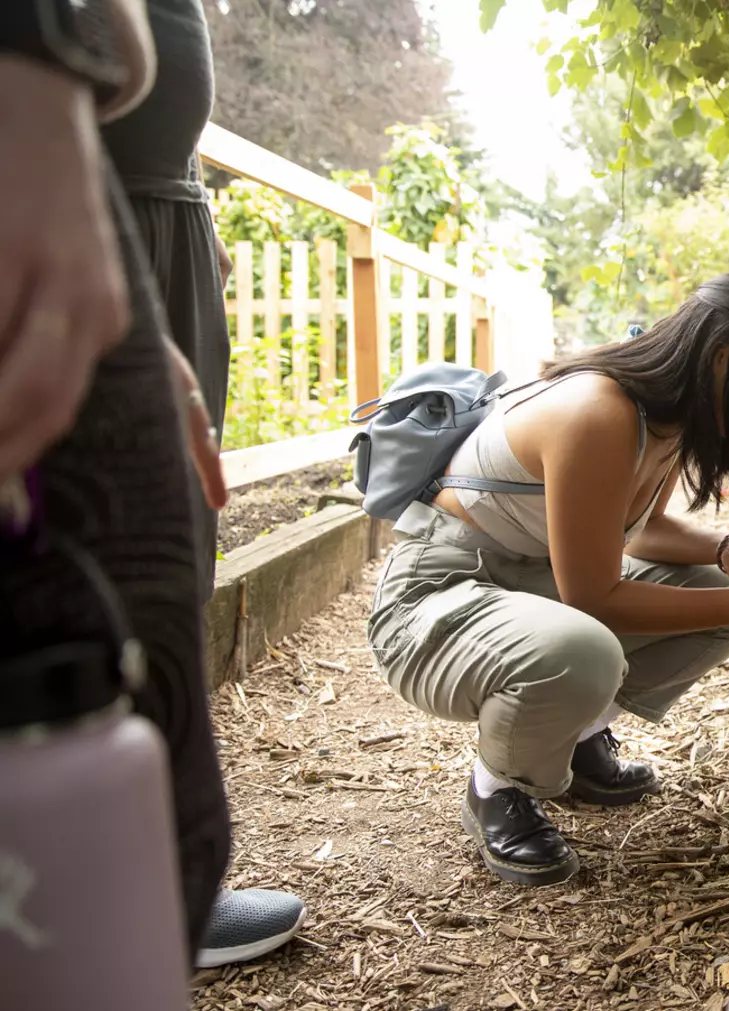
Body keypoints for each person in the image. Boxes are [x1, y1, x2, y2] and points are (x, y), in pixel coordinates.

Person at [367, 267, 729, 885]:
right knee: (584, 650)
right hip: (435, 599)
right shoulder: (600, 412)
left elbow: (640, 527)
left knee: (717, 594)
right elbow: (593, 595)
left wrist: (726, 548)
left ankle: (576, 742)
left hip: (524, 585)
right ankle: (497, 787)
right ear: (723, 358)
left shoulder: (664, 415)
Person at [0, 0, 233, 966]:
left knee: (150, 656)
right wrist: (28, 71)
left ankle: (132, 906)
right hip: (44, 146)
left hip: (122, 189)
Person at [97, 0, 308, 966]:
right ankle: (124, 893)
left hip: (151, 206)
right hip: (85, 198)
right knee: (108, 547)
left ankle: (139, 873)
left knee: (173, 538)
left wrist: (187, 197)